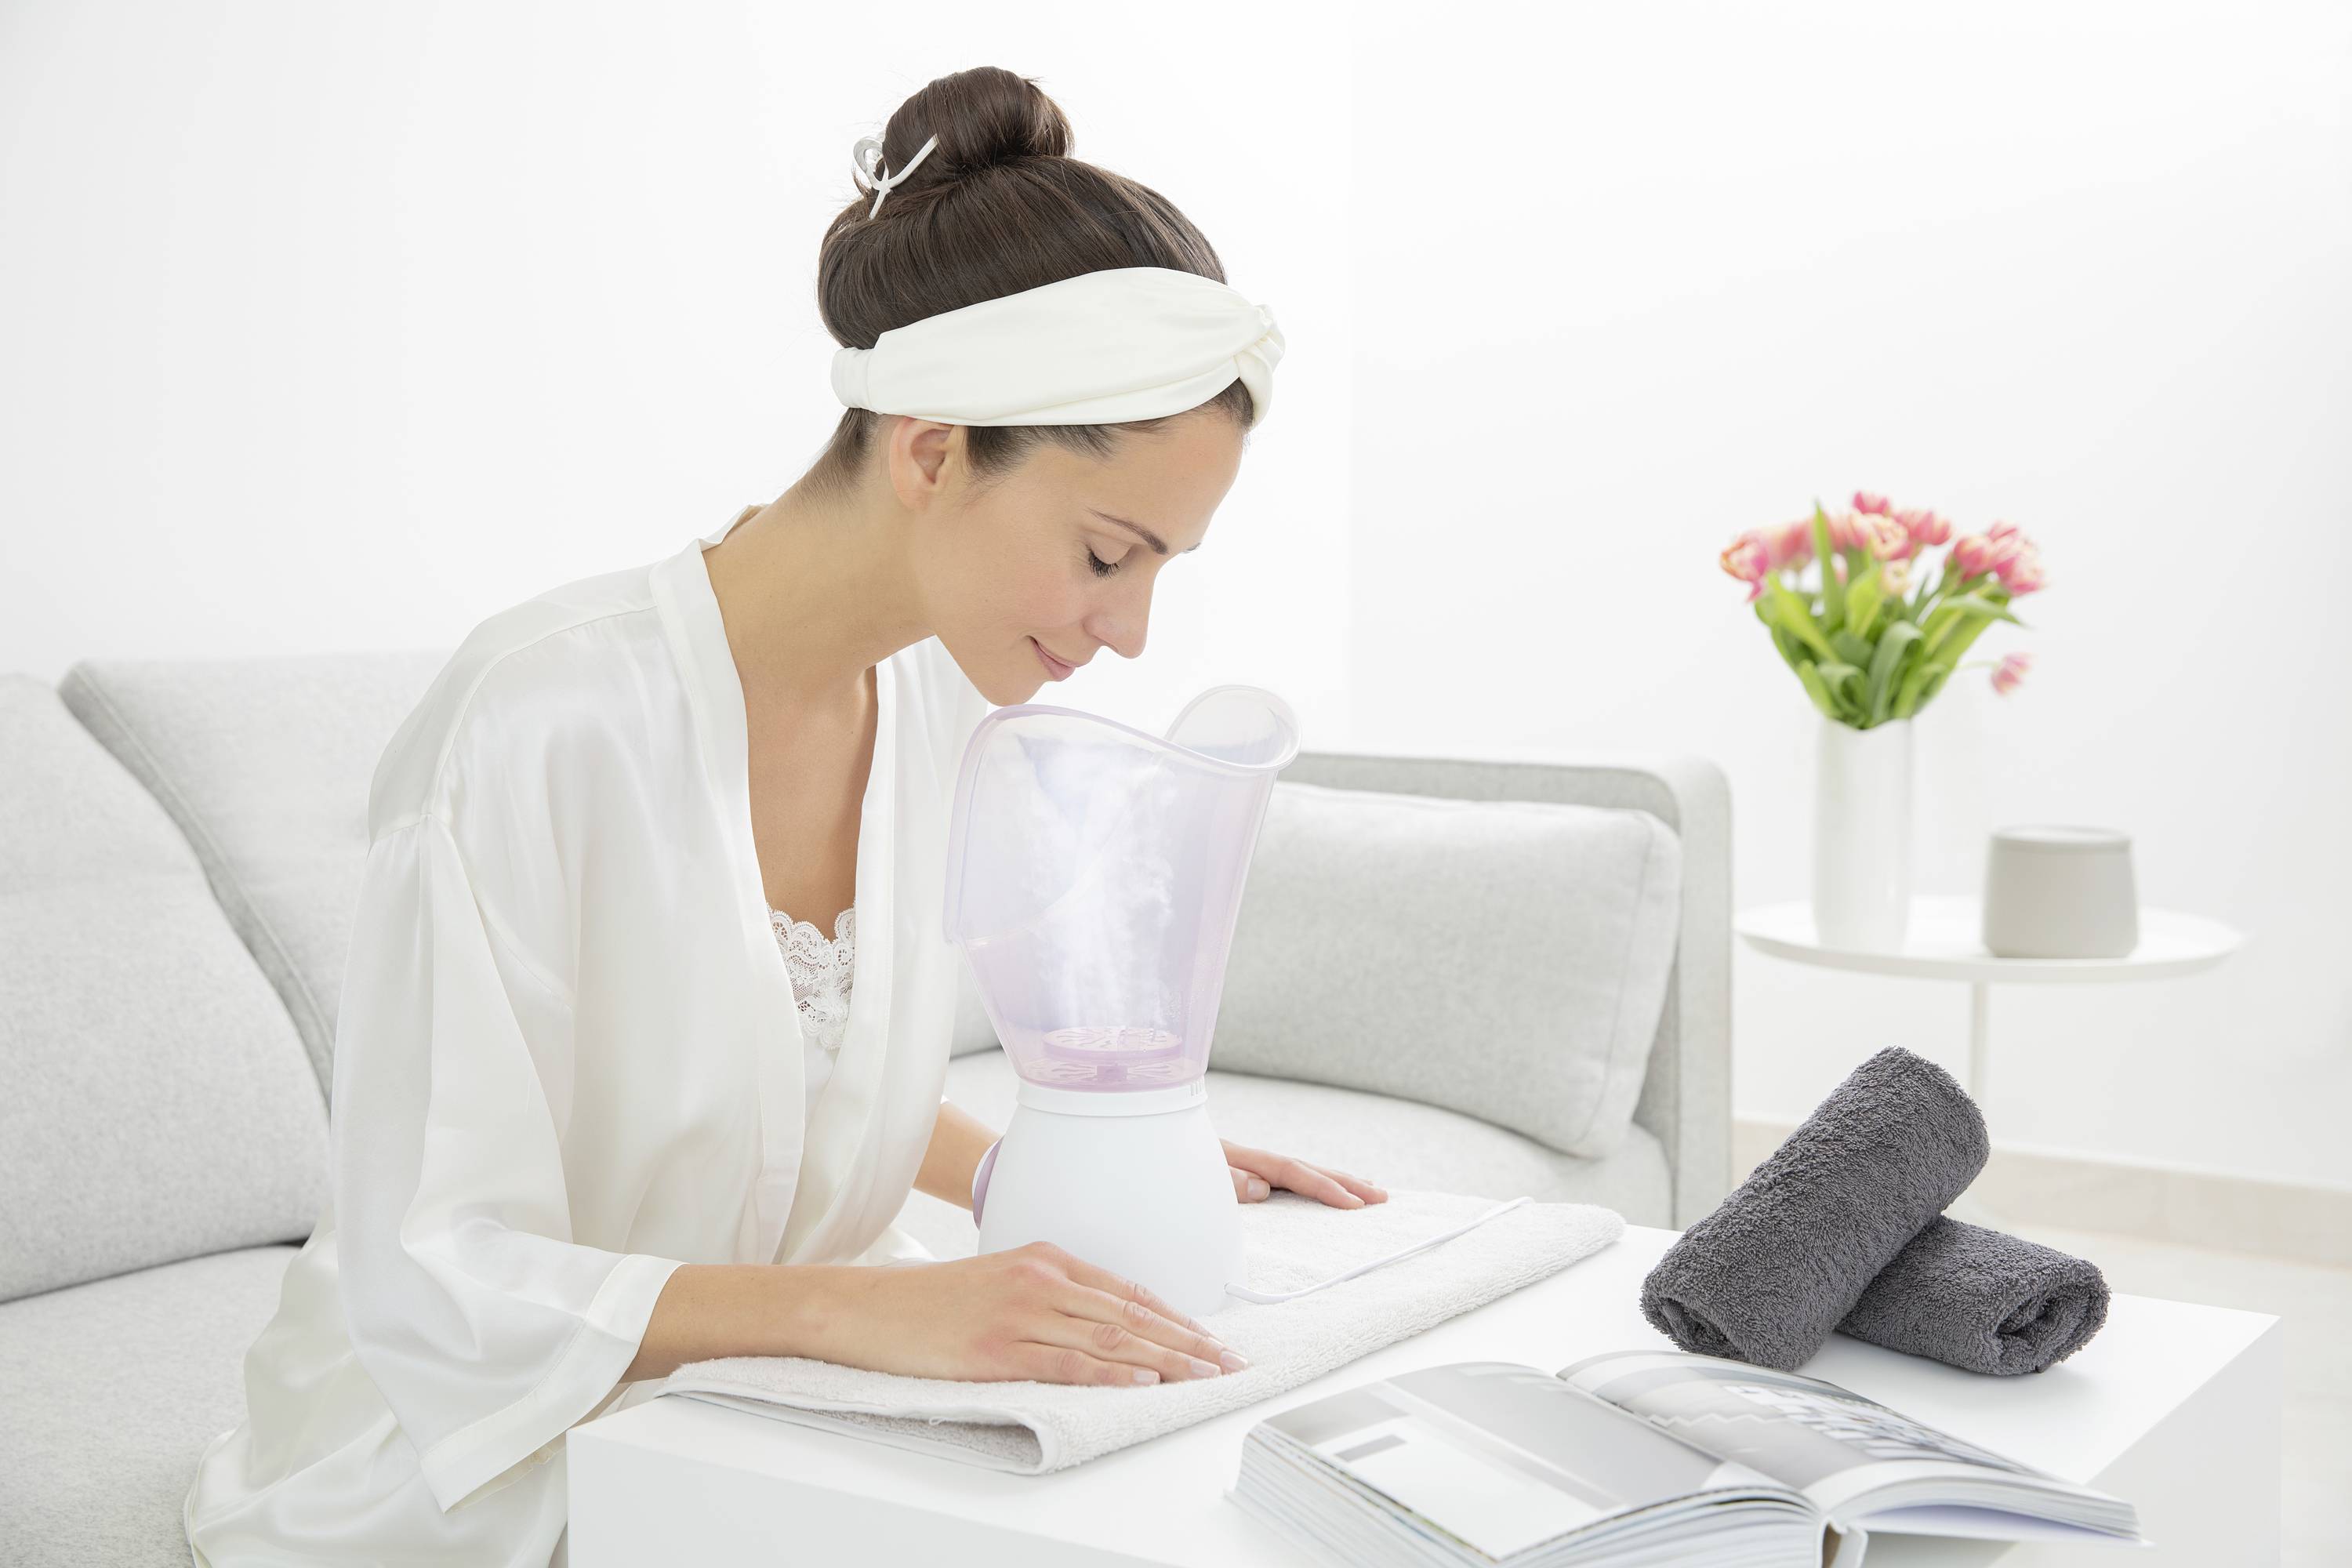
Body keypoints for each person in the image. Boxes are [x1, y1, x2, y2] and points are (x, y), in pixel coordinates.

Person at [183, 65, 1385, 1568]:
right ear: (933, 449)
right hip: (483, 1436)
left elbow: (778, 1063)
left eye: (1161, 570)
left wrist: (1056, 1171)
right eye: (1104, 553)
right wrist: (866, 1309)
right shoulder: (539, 720)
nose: (1130, 631)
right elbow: (435, 1265)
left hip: (785, 1388)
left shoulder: (946, 706)